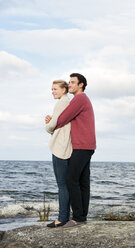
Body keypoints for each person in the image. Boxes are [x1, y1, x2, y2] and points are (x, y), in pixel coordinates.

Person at [47, 73, 96, 228]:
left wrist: (52, 122)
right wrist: (54, 118)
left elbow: (63, 119)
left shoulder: (79, 99)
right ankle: (81, 216)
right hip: (86, 145)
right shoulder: (82, 99)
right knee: (83, 181)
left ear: (81, 85)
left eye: (73, 82)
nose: (69, 85)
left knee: (71, 179)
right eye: (69, 82)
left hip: (81, 146)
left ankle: (76, 218)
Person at [45, 80, 72, 228]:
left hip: (60, 147)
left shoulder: (61, 103)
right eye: (52, 89)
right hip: (66, 146)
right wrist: (52, 121)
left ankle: (62, 218)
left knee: (62, 184)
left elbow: (52, 126)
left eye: (55, 89)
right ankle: (65, 216)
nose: (53, 91)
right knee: (66, 184)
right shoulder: (67, 102)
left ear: (64, 90)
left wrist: (48, 125)